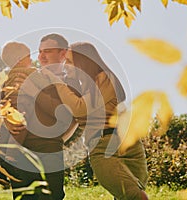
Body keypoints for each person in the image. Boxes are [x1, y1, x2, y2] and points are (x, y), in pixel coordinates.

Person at [35, 42, 149, 200]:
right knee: (127, 195)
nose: (64, 65)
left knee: (132, 196)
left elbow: (79, 108)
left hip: (107, 145)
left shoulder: (104, 78)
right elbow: (78, 119)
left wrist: (56, 82)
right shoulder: (90, 87)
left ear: (82, 62)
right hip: (118, 141)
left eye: (68, 61)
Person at [3, 34, 80, 200]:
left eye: (48, 51)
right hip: (22, 151)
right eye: (39, 51)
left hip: (50, 151)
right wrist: (8, 121)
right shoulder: (27, 75)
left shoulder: (72, 83)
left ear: (63, 54)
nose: (41, 56)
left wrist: (56, 139)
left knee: (53, 195)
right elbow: (8, 101)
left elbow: (73, 117)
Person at [0, 41, 34, 187]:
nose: (31, 59)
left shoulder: (8, 75)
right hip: (19, 106)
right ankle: (10, 164)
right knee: (18, 131)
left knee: (3, 136)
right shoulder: (25, 72)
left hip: (7, 107)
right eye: (29, 56)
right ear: (19, 59)